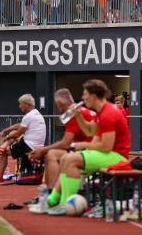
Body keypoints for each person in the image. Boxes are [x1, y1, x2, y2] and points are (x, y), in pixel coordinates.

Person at [46, 79, 130, 215]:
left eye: (85, 94)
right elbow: (89, 131)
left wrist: (82, 145)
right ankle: (54, 199)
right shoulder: (102, 112)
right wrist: (78, 114)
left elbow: (106, 146)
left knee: (70, 159)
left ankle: (63, 203)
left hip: (117, 157)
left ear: (94, 96)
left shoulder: (109, 114)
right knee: (66, 158)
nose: (83, 97)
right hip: (109, 154)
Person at [27, 89, 95, 209]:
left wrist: (42, 150)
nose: (58, 110)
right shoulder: (82, 111)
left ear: (60, 104)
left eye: (57, 106)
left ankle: (53, 195)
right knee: (51, 154)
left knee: (51, 154)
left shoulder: (73, 113)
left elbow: (65, 143)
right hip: (88, 149)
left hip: (90, 151)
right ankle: (50, 194)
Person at [0, 94, 46, 184]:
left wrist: (7, 137)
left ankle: (0, 177)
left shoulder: (29, 116)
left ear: (26, 104)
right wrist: (5, 130)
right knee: (13, 134)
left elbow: (18, 133)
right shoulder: (36, 114)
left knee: (5, 151)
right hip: (38, 145)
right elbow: (19, 125)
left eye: (20, 104)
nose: (19, 106)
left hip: (28, 146)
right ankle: (2, 147)